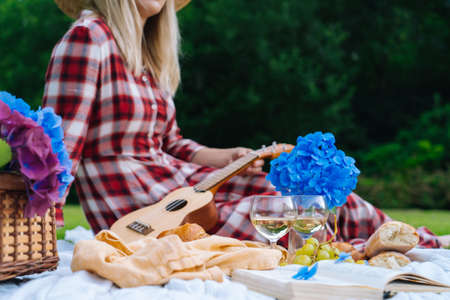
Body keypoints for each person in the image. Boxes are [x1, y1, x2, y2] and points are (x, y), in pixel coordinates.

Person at [44, 0, 447, 249]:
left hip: (180, 186)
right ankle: (415, 243)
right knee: (294, 214)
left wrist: (228, 157)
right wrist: (45, 230)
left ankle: (413, 239)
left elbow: (171, 143)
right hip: (143, 209)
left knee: (305, 192)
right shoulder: (87, 38)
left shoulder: (144, 58)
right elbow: (59, 149)